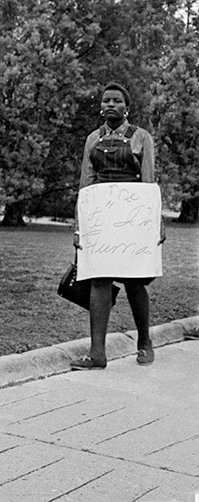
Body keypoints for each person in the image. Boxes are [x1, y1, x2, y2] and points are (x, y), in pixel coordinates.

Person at [70, 82, 165, 371]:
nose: (111, 104)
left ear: (127, 107)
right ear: (101, 106)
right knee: (99, 280)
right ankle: (97, 353)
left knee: (135, 281)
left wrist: (155, 222)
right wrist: (79, 226)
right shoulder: (92, 139)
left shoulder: (141, 137)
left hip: (133, 217)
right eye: (106, 100)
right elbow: (85, 184)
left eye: (117, 101)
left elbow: (149, 182)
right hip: (101, 217)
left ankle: (144, 342)